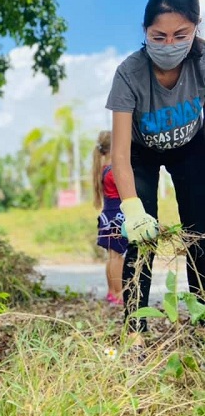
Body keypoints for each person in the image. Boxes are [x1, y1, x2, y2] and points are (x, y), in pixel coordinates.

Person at [106, 0, 205, 345]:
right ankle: (135, 330)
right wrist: (132, 208)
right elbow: (118, 152)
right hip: (139, 153)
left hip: (192, 147)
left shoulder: (202, 60)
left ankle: (202, 319)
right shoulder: (129, 72)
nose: (169, 45)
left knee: (201, 232)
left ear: (196, 27)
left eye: (180, 35)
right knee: (141, 240)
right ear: (144, 32)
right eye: (157, 36)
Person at [92, 130, 128, 306]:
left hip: (108, 216)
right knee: (117, 257)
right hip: (117, 218)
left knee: (112, 256)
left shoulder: (102, 167)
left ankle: (112, 293)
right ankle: (119, 294)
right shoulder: (114, 170)